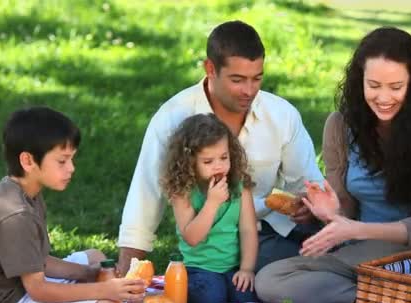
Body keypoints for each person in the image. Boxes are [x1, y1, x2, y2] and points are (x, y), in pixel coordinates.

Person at [255, 27, 411, 303]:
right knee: (269, 280)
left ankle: (398, 295)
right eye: (373, 85)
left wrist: (354, 229)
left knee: (277, 277)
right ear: (359, 81)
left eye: (396, 87)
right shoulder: (340, 126)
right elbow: (344, 212)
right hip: (359, 252)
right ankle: (397, 301)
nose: (383, 98)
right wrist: (326, 211)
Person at [117, 20, 324, 276]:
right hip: (207, 238)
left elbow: (309, 183)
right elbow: (145, 197)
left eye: (256, 78)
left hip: (265, 232)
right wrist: (126, 273)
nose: (249, 91)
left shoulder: (281, 115)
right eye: (237, 80)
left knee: (307, 265)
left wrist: (309, 207)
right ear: (210, 69)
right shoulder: (174, 116)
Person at [0, 107, 145, 303]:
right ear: (28, 161)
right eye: (62, 161)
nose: (71, 168)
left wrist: (87, 274)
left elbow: (40, 260)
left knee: (95, 257)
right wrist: (104, 290)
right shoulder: (15, 214)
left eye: (71, 159)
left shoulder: (28, 192)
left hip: (24, 286)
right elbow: (39, 290)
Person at [160, 114, 258, 303]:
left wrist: (246, 268)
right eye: (208, 161)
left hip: (233, 266)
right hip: (198, 267)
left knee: (246, 299)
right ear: (190, 162)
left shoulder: (239, 187)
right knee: (212, 296)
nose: (218, 166)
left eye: (224, 157)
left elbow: (248, 230)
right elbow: (192, 238)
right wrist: (212, 203)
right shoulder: (184, 191)